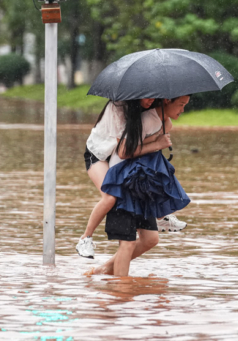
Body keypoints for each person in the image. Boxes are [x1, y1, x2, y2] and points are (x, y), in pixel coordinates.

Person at [88, 95, 191, 276]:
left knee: (150, 239)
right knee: (126, 243)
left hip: (138, 184)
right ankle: (122, 291)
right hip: (123, 181)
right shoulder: (145, 120)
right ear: (166, 100)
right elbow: (124, 151)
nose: (183, 110)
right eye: (181, 105)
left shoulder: (161, 122)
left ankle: (105, 270)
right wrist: (157, 143)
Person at [76, 99, 171, 258]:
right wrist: (155, 142)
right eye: (146, 97)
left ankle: (160, 215)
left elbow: (137, 142)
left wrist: (161, 129)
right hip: (99, 155)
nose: (150, 101)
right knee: (110, 197)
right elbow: (125, 149)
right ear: (136, 94)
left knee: (146, 178)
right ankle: (85, 238)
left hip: (119, 156)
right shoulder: (118, 107)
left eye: (153, 97)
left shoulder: (147, 106)